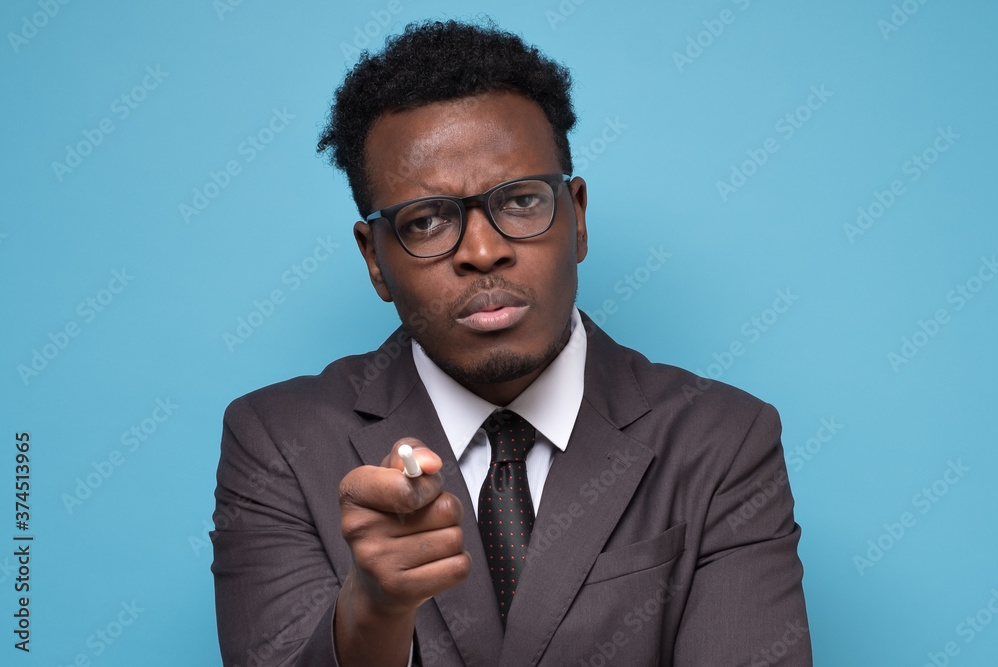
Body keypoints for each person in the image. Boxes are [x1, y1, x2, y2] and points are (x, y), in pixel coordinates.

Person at [211, 19, 812, 667]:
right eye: (428, 219)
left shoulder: (723, 439)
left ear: (577, 217)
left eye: (522, 201)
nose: (482, 250)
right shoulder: (278, 441)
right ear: (376, 260)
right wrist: (374, 610)